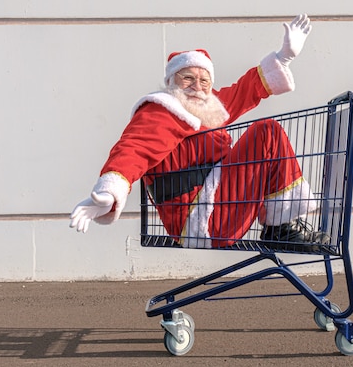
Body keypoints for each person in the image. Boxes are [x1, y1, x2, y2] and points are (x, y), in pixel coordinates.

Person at [70, 14, 328, 249]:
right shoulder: (163, 110)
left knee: (267, 133)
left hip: (215, 203)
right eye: (188, 78)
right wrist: (109, 191)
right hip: (197, 217)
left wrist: (284, 57)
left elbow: (243, 91)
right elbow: (134, 148)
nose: (198, 86)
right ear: (172, 81)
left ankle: (281, 228)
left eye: (204, 80)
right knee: (267, 133)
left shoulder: (206, 109)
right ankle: (280, 229)